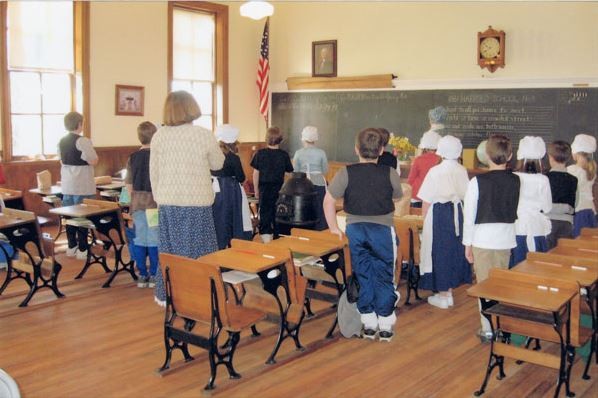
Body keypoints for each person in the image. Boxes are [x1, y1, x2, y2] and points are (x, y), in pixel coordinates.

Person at [323, 128, 403, 342]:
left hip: (355, 231)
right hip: (382, 231)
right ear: (382, 150)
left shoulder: (346, 173)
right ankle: (385, 323)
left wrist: (333, 228)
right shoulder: (390, 173)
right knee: (384, 274)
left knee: (363, 273)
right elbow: (396, 197)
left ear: (356, 149)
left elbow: (328, 200)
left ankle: (368, 322)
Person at [149, 91, 224, 305]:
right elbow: (218, 164)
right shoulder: (202, 134)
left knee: (170, 252)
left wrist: (160, 198)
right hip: (196, 203)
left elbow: (153, 173)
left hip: (167, 203)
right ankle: (198, 297)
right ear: (191, 107)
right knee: (199, 253)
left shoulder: (159, 136)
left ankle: (169, 295)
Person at [463, 134, 520, 342]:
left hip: (482, 239)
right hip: (505, 239)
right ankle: (503, 326)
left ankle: (488, 328)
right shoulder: (516, 180)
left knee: (484, 286)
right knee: (501, 286)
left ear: (485, 155)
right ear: (510, 155)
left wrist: (467, 244)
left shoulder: (477, 181)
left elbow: (469, 216)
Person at [418, 135, 472, 309]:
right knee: (453, 251)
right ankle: (448, 291)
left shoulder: (436, 171)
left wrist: (423, 220)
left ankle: (443, 294)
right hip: (458, 214)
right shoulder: (462, 170)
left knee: (439, 252)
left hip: (440, 214)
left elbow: (426, 200)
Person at [58, 111, 98, 260]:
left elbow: (61, 161)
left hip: (67, 184)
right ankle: (83, 249)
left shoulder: (61, 141)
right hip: (82, 184)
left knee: (69, 216)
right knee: (83, 217)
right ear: (79, 124)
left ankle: (71, 246)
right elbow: (93, 160)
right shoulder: (83, 141)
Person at [125, 121, 159, 288]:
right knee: (154, 238)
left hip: (137, 203)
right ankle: (154, 274)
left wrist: (130, 202)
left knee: (139, 237)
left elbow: (129, 185)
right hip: (154, 204)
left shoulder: (132, 157)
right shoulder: (159, 156)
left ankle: (142, 275)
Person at [509, 136, 552, 267]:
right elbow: (547, 207)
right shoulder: (543, 180)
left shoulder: (513, 177)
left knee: (517, 268)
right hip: (536, 228)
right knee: (537, 268)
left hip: (517, 228)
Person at [211, 124, 253, 249]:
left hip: (213, 189)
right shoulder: (233, 158)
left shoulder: (212, 155)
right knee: (232, 219)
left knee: (218, 219)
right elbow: (241, 177)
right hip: (230, 190)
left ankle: (218, 245)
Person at [251, 127, 293, 242]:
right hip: (279, 189)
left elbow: (256, 174)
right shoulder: (284, 155)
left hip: (264, 189)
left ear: (266, 138)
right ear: (281, 139)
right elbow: (289, 173)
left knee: (265, 214)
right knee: (279, 213)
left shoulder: (260, 153)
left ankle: (266, 239)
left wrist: (256, 190)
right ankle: (278, 237)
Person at [292, 126, 329, 230]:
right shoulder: (321, 152)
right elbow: (325, 170)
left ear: (303, 138)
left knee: (305, 210)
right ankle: (321, 231)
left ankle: (306, 232)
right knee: (320, 209)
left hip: (304, 186)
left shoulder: (298, 153)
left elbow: (295, 171)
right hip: (319, 184)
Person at [546, 141, 578, 249]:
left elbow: (542, 203)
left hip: (548, 221)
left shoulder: (545, 178)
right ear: (568, 158)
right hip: (566, 222)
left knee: (547, 257)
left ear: (550, 157)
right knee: (563, 256)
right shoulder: (574, 179)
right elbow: (575, 204)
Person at [567, 133, 597, 236]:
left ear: (575, 154)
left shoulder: (571, 170)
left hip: (579, 213)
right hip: (591, 211)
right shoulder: (592, 171)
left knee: (578, 244)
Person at [407, 130, 441, 208]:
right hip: (433, 196)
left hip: (417, 195)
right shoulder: (440, 160)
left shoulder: (418, 159)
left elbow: (410, 180)